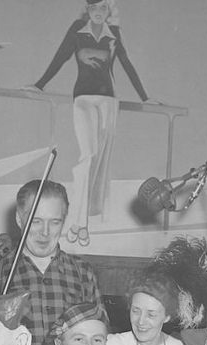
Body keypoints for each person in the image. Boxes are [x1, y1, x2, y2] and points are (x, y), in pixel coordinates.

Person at [26, 0, 155, 245]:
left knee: (97, 161)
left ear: (108, 11)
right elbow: (61, 56)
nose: (98, 13)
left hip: (108, 102)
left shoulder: (113, 34)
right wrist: (39, 84)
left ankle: (80, 222)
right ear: (88, 9)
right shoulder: (77, 29)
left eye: (103, 9)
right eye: (94, 8)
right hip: (83, 99)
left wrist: (146, 97)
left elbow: (126, 64)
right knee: (87, 156)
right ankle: (80, 222)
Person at [0, 179, 103, 345]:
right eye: (35, 221)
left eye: (54, 222)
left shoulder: (83, 272)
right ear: (19, 219)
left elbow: (99, 335)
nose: (44, 232)